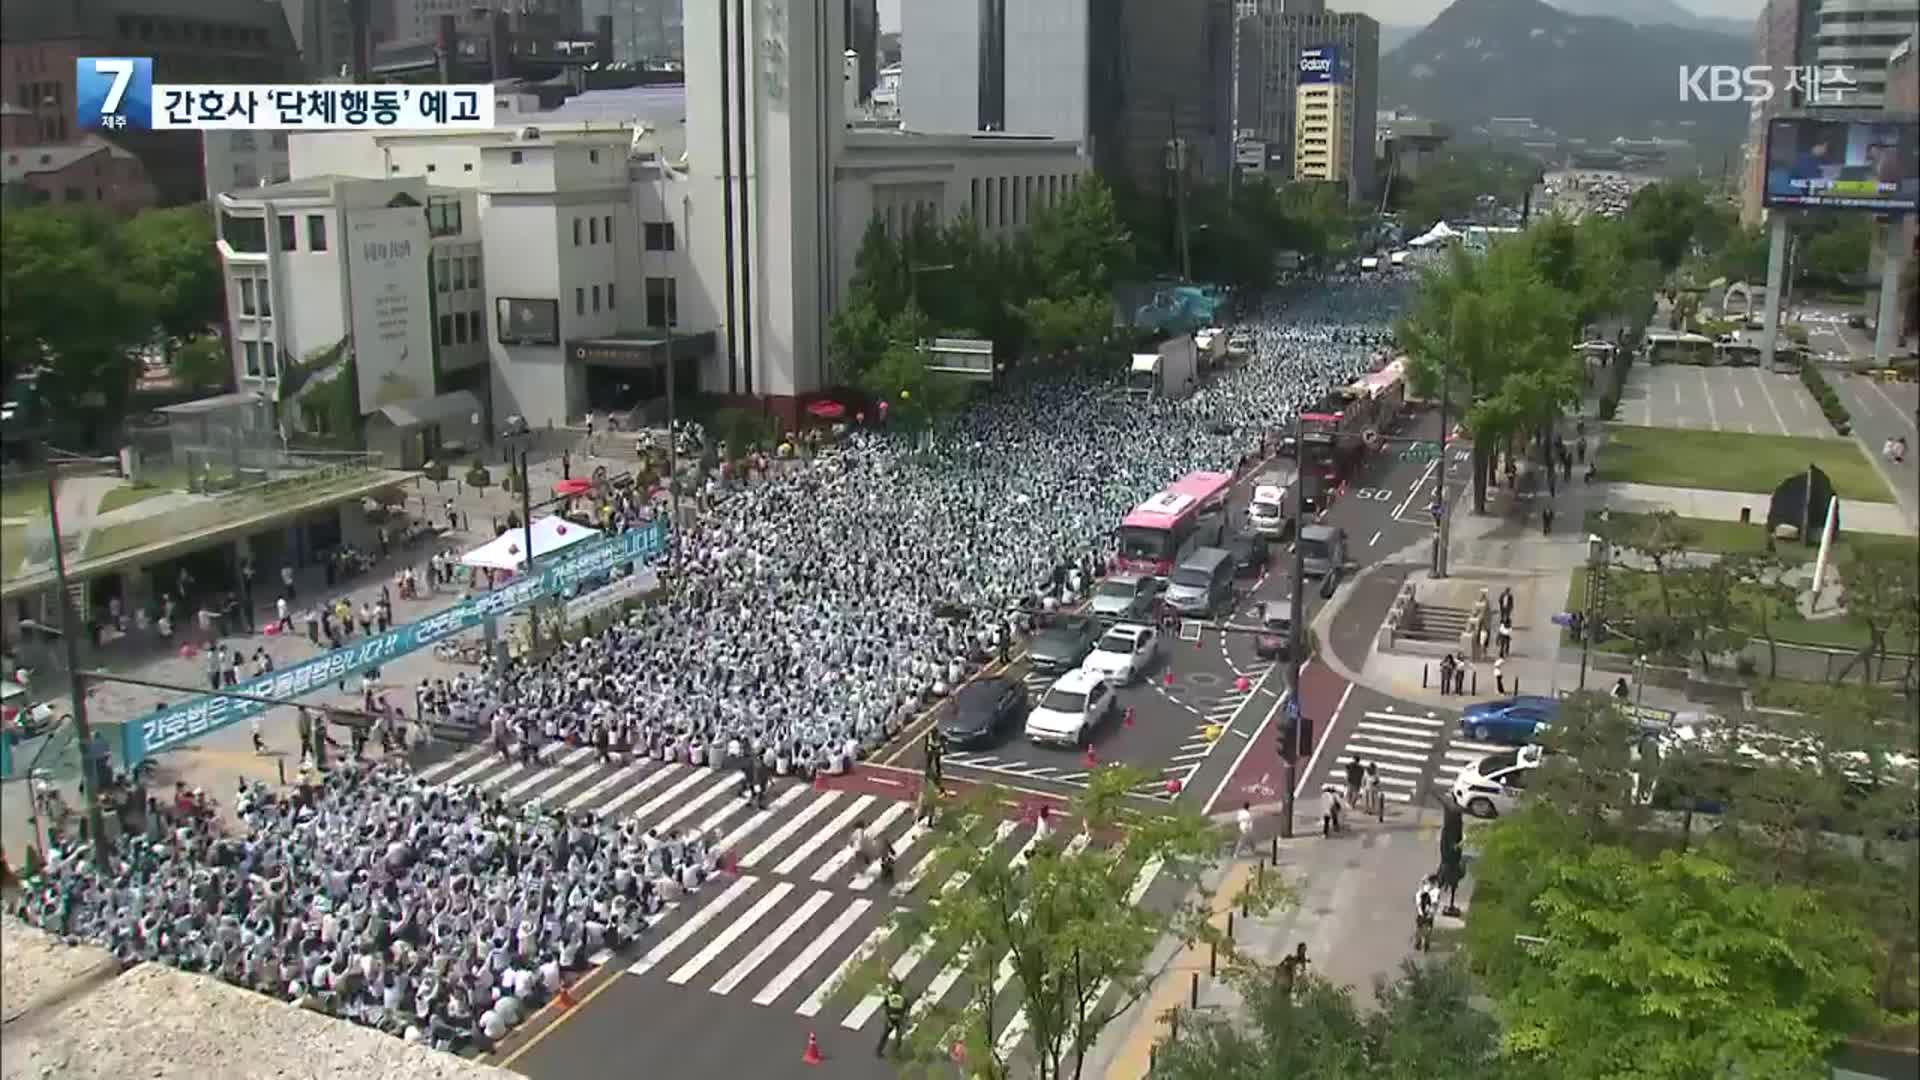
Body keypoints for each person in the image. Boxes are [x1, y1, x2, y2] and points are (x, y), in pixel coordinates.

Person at [876, 978, 909, 1057]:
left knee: (885, 1035)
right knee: (898, 1036)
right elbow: (905, 1010)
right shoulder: (903, 998)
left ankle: (878, 1051)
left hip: (890, 1019)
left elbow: (886, 1008)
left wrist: (887, 1018)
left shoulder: (889, 997)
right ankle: (896, 1052)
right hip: (898, 1019)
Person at [1414, 874, 1441, 951]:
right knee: (1428, 928)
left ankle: (1418, 942)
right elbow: (1435, 903)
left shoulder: (1424, 888)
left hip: (1421, 911)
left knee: (1419, 927)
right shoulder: (1436, 891)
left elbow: (1418, 897)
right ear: (1435, 882)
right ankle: (1426, 944)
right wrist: (1432, 912)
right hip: (1429, 913)